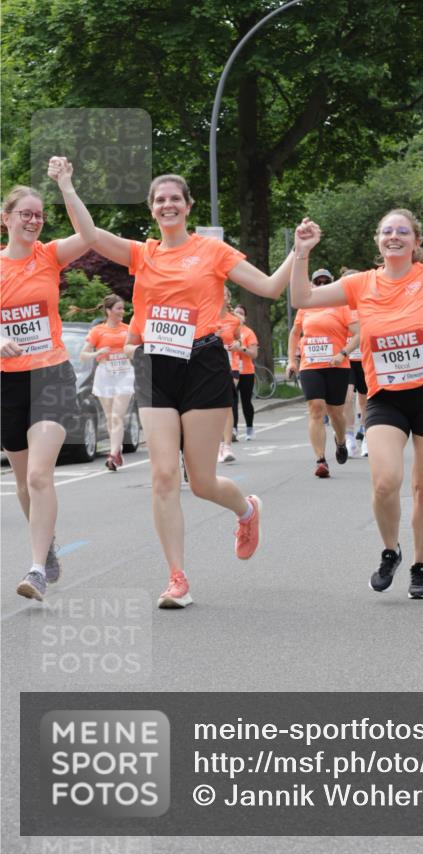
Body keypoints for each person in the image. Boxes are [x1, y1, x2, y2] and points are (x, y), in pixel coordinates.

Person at [89, 169, 294, 609]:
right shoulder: (141, 254)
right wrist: (68, 185)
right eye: (159, 200)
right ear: (151, 208)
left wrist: (299, 251)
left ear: (188, 205)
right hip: (155, 365)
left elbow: (271, 288)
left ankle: (247, 511)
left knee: (200, 482)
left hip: (202, 363)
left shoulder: (212, 250)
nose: (167, 205)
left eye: (174, 199)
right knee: (163, 475)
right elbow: (88, 233)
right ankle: (177, 578)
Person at [291, 208, 423, 598]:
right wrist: (302, 251)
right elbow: (301, 296)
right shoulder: (359, 284)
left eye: (403, 231)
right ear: (378, 240)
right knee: (385, 482)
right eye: (387, 231)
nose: (394, 236)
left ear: (416, 242)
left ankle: (421, 566)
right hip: (385, 398)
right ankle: (390, 550)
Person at [1, 158, 97, 601]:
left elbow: (90, 236)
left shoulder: (50, 255)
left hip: (52, 374)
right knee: (23, 484)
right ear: (6, 219)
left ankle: (37, 569)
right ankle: (49, 545)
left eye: (39, 215)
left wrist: (66, 185)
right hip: (9, 382)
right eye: (25, 213)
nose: (34, 220)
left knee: (40, 476)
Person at [287, 268, 360, 478]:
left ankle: (341, 441)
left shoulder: (342, 306)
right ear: (311, 285)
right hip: (310, 366)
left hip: (336, 365)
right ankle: (320, 460)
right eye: (317, 282)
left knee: (336, 412)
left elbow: (359, 334)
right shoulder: (305, 308)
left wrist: (343, 353)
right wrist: (292, 360)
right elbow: (294, 334)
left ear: (331, 283)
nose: (320, 286)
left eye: (324, 282)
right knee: (316, 409)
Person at [80, 294, 134, 471]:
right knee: (111, 417)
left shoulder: (128, 329)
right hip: (105, 374)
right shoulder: (98, 331)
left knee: (117, 416)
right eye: (118, 308)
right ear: (109, 311)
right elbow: (83, 355)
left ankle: (112, 454)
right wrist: (97, 353)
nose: (122, 312)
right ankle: (116, 451)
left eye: (123, 308)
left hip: (125, 374)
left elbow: (137, 349)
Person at [341, 268, 368, 457]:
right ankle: (349, 436)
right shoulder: (338, 306)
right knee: (347, 397)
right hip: (346, 359)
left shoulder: (367, 304)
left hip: (366, 358)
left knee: (365, 400)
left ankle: (366, 433)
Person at [215, 287, 242, 462]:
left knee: (226, 404)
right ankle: (216, 445)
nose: (221, 297)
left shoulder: (234, 320)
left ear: (228, 298)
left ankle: (227, 446)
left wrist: (238, 344)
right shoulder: (207, 318)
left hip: (230, 365)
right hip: (211, 365)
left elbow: (239, 339)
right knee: (213, 406)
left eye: (224, 294)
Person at [229, 304, 258, 441]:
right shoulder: (228, 329)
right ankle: (233, 430)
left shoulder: (249, 332)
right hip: (232, 370)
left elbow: (254, 354)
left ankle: (249, 428)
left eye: (241, 313)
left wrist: (242, 349)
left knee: (246, 401)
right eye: (236, 312)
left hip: (246, 372)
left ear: (245, 317)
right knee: (232, 401)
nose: (238, 315)